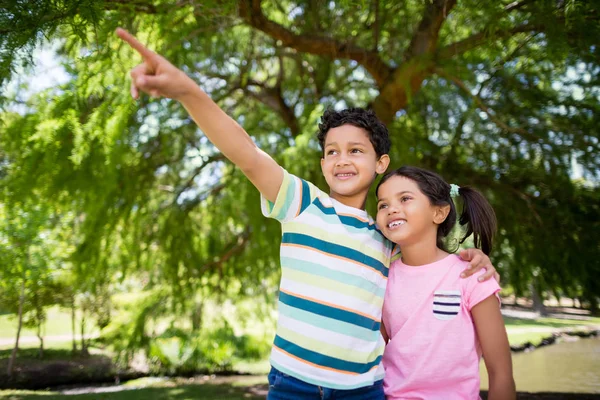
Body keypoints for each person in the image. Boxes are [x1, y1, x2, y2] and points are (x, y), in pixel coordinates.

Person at [115, 28, 499, 399]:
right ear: (321, 163)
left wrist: (472, 256)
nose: (342, 159)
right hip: (293, 383)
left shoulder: (385, 236)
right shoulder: (302, 203)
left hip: (363, 390)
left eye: (355, 150)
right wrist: (186, 90)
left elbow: (427, 261)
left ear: (381, 163)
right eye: (332, 151)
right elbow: (246, 153)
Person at [375, 166, 515, 400]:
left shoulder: (473, 276)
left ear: (439, 213)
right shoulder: (380, 278)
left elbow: (501, 374)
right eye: (383, 205)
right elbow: (373, 353)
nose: (392, 210)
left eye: (405, 198)